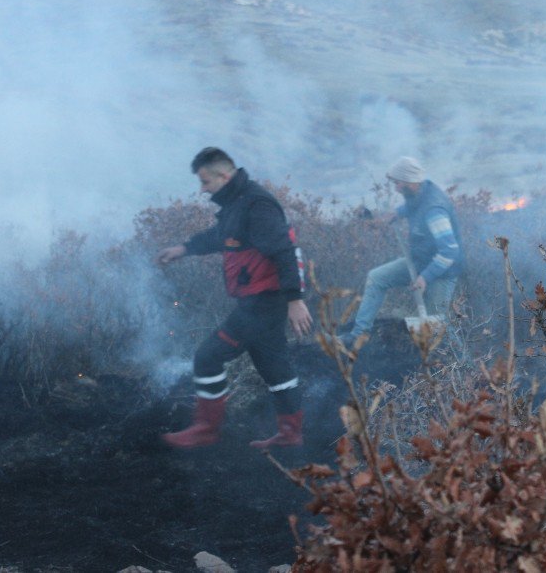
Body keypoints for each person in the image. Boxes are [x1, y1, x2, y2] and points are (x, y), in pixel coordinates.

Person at [157, 148, 313, 449]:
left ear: (224, 176)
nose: (202, 190)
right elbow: (221, 236)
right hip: (260, 301)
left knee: (207, 356)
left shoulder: (257, 205)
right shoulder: (237, 204)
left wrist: (296, 300)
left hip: (263, 303)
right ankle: (291, 434)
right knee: (275, 368)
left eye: (205, 182)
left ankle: (206, 428)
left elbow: (284, 252)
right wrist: (184, 248)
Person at [341, 156, 464, 345]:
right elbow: (407, 208)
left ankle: (462, 364)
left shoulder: (434, 210)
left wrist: (425, 277)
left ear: (410, 181)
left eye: (398, 183)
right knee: (377, 278)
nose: (396, 188)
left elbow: (449, 251)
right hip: (419, 261)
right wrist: (382, 219)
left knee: (434, 327)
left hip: (441, 272)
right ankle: (358, 335)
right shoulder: (418, 194)